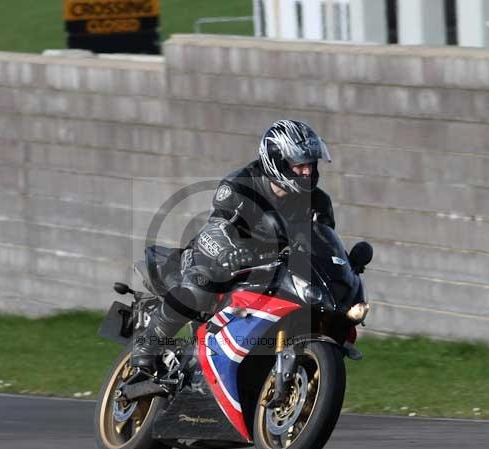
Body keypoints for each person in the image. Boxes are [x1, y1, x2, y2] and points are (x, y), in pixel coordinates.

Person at [129, 119, 335, 375]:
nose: (307, 171)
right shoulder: (242, 184)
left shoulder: (319, 203)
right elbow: (215, 228)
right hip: (219, 256)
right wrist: (228, 252)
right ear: (277, 161)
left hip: (273, 269)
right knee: (202, 283)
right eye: (299, 165)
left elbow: (324, 243)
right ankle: (146, 346)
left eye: (310, 164)